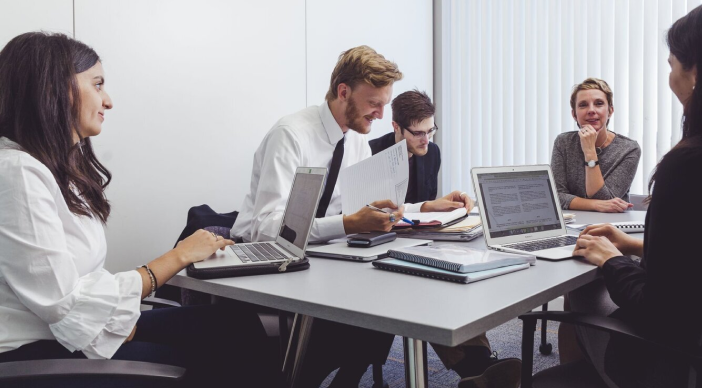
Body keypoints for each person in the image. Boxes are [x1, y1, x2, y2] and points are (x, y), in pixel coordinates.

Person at [0, 32, 281, 387]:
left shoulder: (49, 169)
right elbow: (63, 303)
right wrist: (177, 257)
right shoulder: (17, 173)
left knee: (231, 324)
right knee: (216, 360)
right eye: (98, 84)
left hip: (71, 333)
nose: (108, 101)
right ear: (54, 88)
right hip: (39, 353)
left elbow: (76, 283)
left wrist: (112, 320)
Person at [565, 0, 702, 386]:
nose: (671, 79)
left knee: (584, 291)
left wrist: (611, 260)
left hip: (687, 363)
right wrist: (634, 247)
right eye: (583, 105)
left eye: (672, 66)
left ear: (698, 72)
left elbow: (661, 310)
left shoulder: (692, 166)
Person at [231, 45, 473, 387]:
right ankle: (302, 378)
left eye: (384, 104)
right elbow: (267, 229)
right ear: (344, 92)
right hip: (267, 261)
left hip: (322, 254)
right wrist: (347, 223)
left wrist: (423, 208)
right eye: (374, 103)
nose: (379, 114)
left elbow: (365, 209)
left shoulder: (356, 140)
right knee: (371, 308)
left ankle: (340, 378)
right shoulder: (291, 136)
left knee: (397, 289)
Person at [370, 90, 521, 387]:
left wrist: (445, 207)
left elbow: (422, 205)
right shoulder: (372, 154)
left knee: (457, 279)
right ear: (395, 126)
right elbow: (374, 212)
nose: (426, 139)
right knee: (431, 288)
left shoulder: (432, 153)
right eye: (417, 133)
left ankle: (478, 363)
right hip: (381, 248)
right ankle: (474, 366)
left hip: (420, 241)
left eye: (430, 130)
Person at [551, 78, 641, 213]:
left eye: (599, 104)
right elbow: (557, 196)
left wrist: (590, 151)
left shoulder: (629, 149)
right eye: (583, 105)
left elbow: (607, 199)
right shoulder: (563, 142)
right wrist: (595, 205)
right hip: (574, 224)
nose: (591, 110)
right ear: (574, 114)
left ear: (610, 111)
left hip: (612, 226)